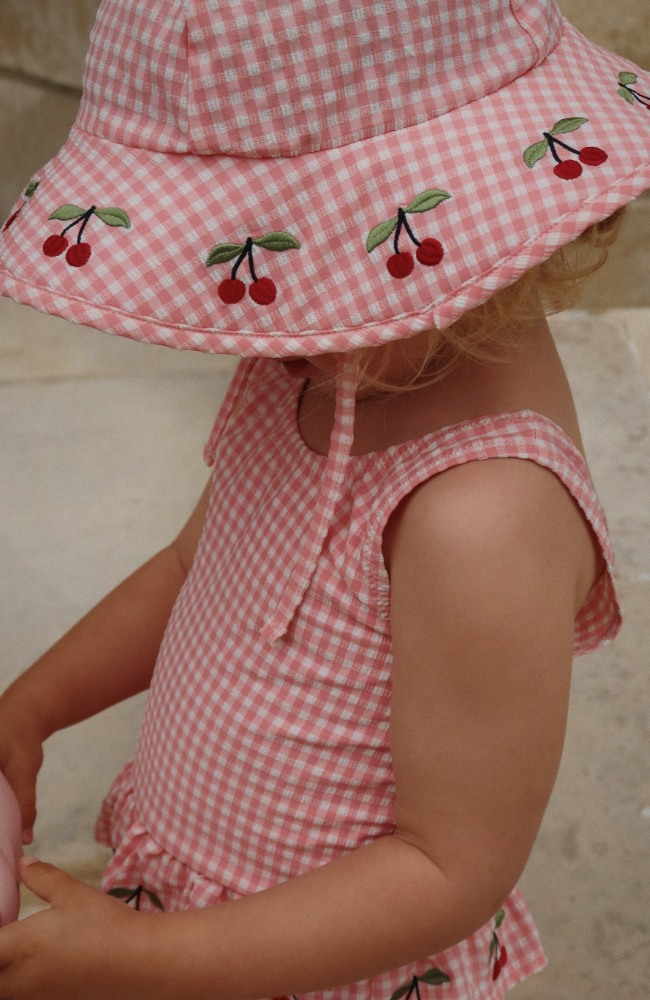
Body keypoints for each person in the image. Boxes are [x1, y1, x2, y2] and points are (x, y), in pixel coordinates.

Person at [0, 0, 648, 997]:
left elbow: (451, 866)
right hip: (196, 928)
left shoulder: (481, 512)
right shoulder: (320, 353)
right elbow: (194, 569)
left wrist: (155, 961)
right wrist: (33, 705)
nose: (255, 295)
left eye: (288, 245)